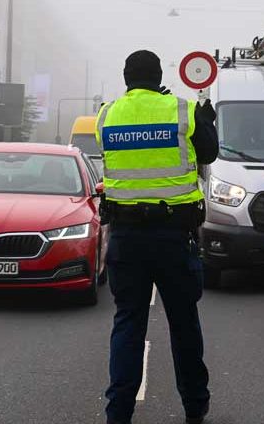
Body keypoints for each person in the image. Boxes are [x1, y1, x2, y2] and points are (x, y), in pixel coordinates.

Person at [97, 50, 219, 424]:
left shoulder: (106, 115)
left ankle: (118, 414)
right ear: (159, 75)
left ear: (126, 77)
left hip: (126, 237)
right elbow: (209, 153)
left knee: (128, 323)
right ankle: (195, 407)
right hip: (173, 237)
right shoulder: (182, 111)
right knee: (184, 323)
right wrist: (206, 120)